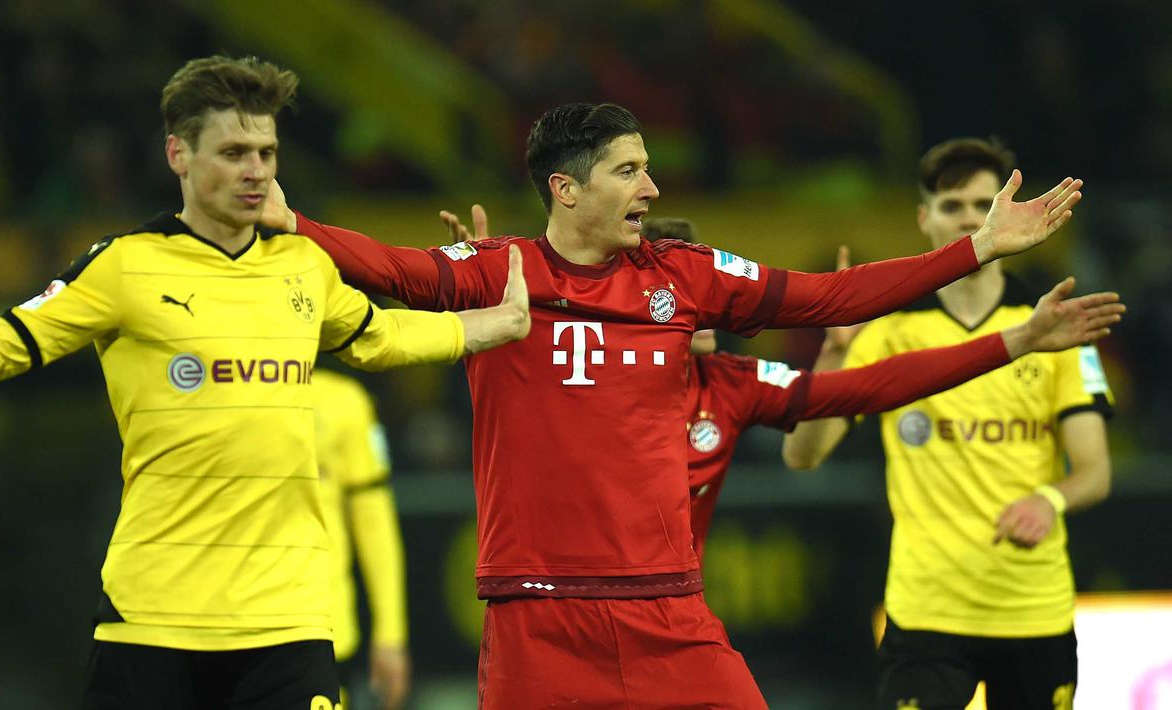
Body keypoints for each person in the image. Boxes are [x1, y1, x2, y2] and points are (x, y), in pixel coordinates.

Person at [264, 102, 1087, 708]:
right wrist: (291, 221)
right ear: (566, 188)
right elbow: (394, 269)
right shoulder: (500, 274)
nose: (650, 186)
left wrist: (975, 249)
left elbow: (830, 301)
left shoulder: (683, 281)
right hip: (536, 618)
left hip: (667, 612)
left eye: (647, 168)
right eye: (628, 170)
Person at [0, 55, 531, 710]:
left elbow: (381, 337)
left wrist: (492, 322)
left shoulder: (305, 265)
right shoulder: (123, 268)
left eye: (266, 152)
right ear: (178, 154)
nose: (255, 170)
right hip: (154, 618)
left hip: (289, 625)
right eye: (233, 152)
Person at [440, 210, 1120, 565]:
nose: (694, 315)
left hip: (668, 610)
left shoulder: (733, 386)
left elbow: (869, 387)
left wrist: (1017, 341)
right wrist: (488, 315)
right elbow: (524, 381)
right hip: (554, 606)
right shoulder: (577, 370)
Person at [782, 138, 1115, 710]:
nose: (970, 219)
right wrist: (834, 355)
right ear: (923, 218)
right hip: (926, 612)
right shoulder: (885, 332)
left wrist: (1048, 500)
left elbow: (1095, 472)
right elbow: (803, 456)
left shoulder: (1049, 327)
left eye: (984, 204)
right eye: (953, 205)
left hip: (1033, 608)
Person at [311, 368, 410, 709]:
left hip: (323, 632)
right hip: (220, 627)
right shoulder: (208, 391)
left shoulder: (341, 402)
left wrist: (391, 634)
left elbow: (374, 523)